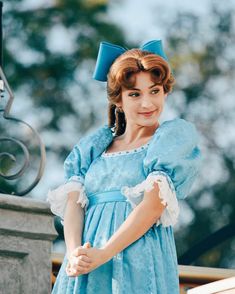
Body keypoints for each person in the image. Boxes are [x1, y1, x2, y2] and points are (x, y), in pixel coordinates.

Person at [47, 39, 202, 294]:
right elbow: (74, 204)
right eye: (134, 94)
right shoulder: (94, 146)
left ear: (165, 91)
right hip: (87, 262)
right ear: (118, 99)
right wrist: (76, 253)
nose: (147, 103)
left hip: (136, 261)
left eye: (155, 91)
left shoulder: (169, 140)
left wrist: (105, 253)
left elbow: (153, 206)